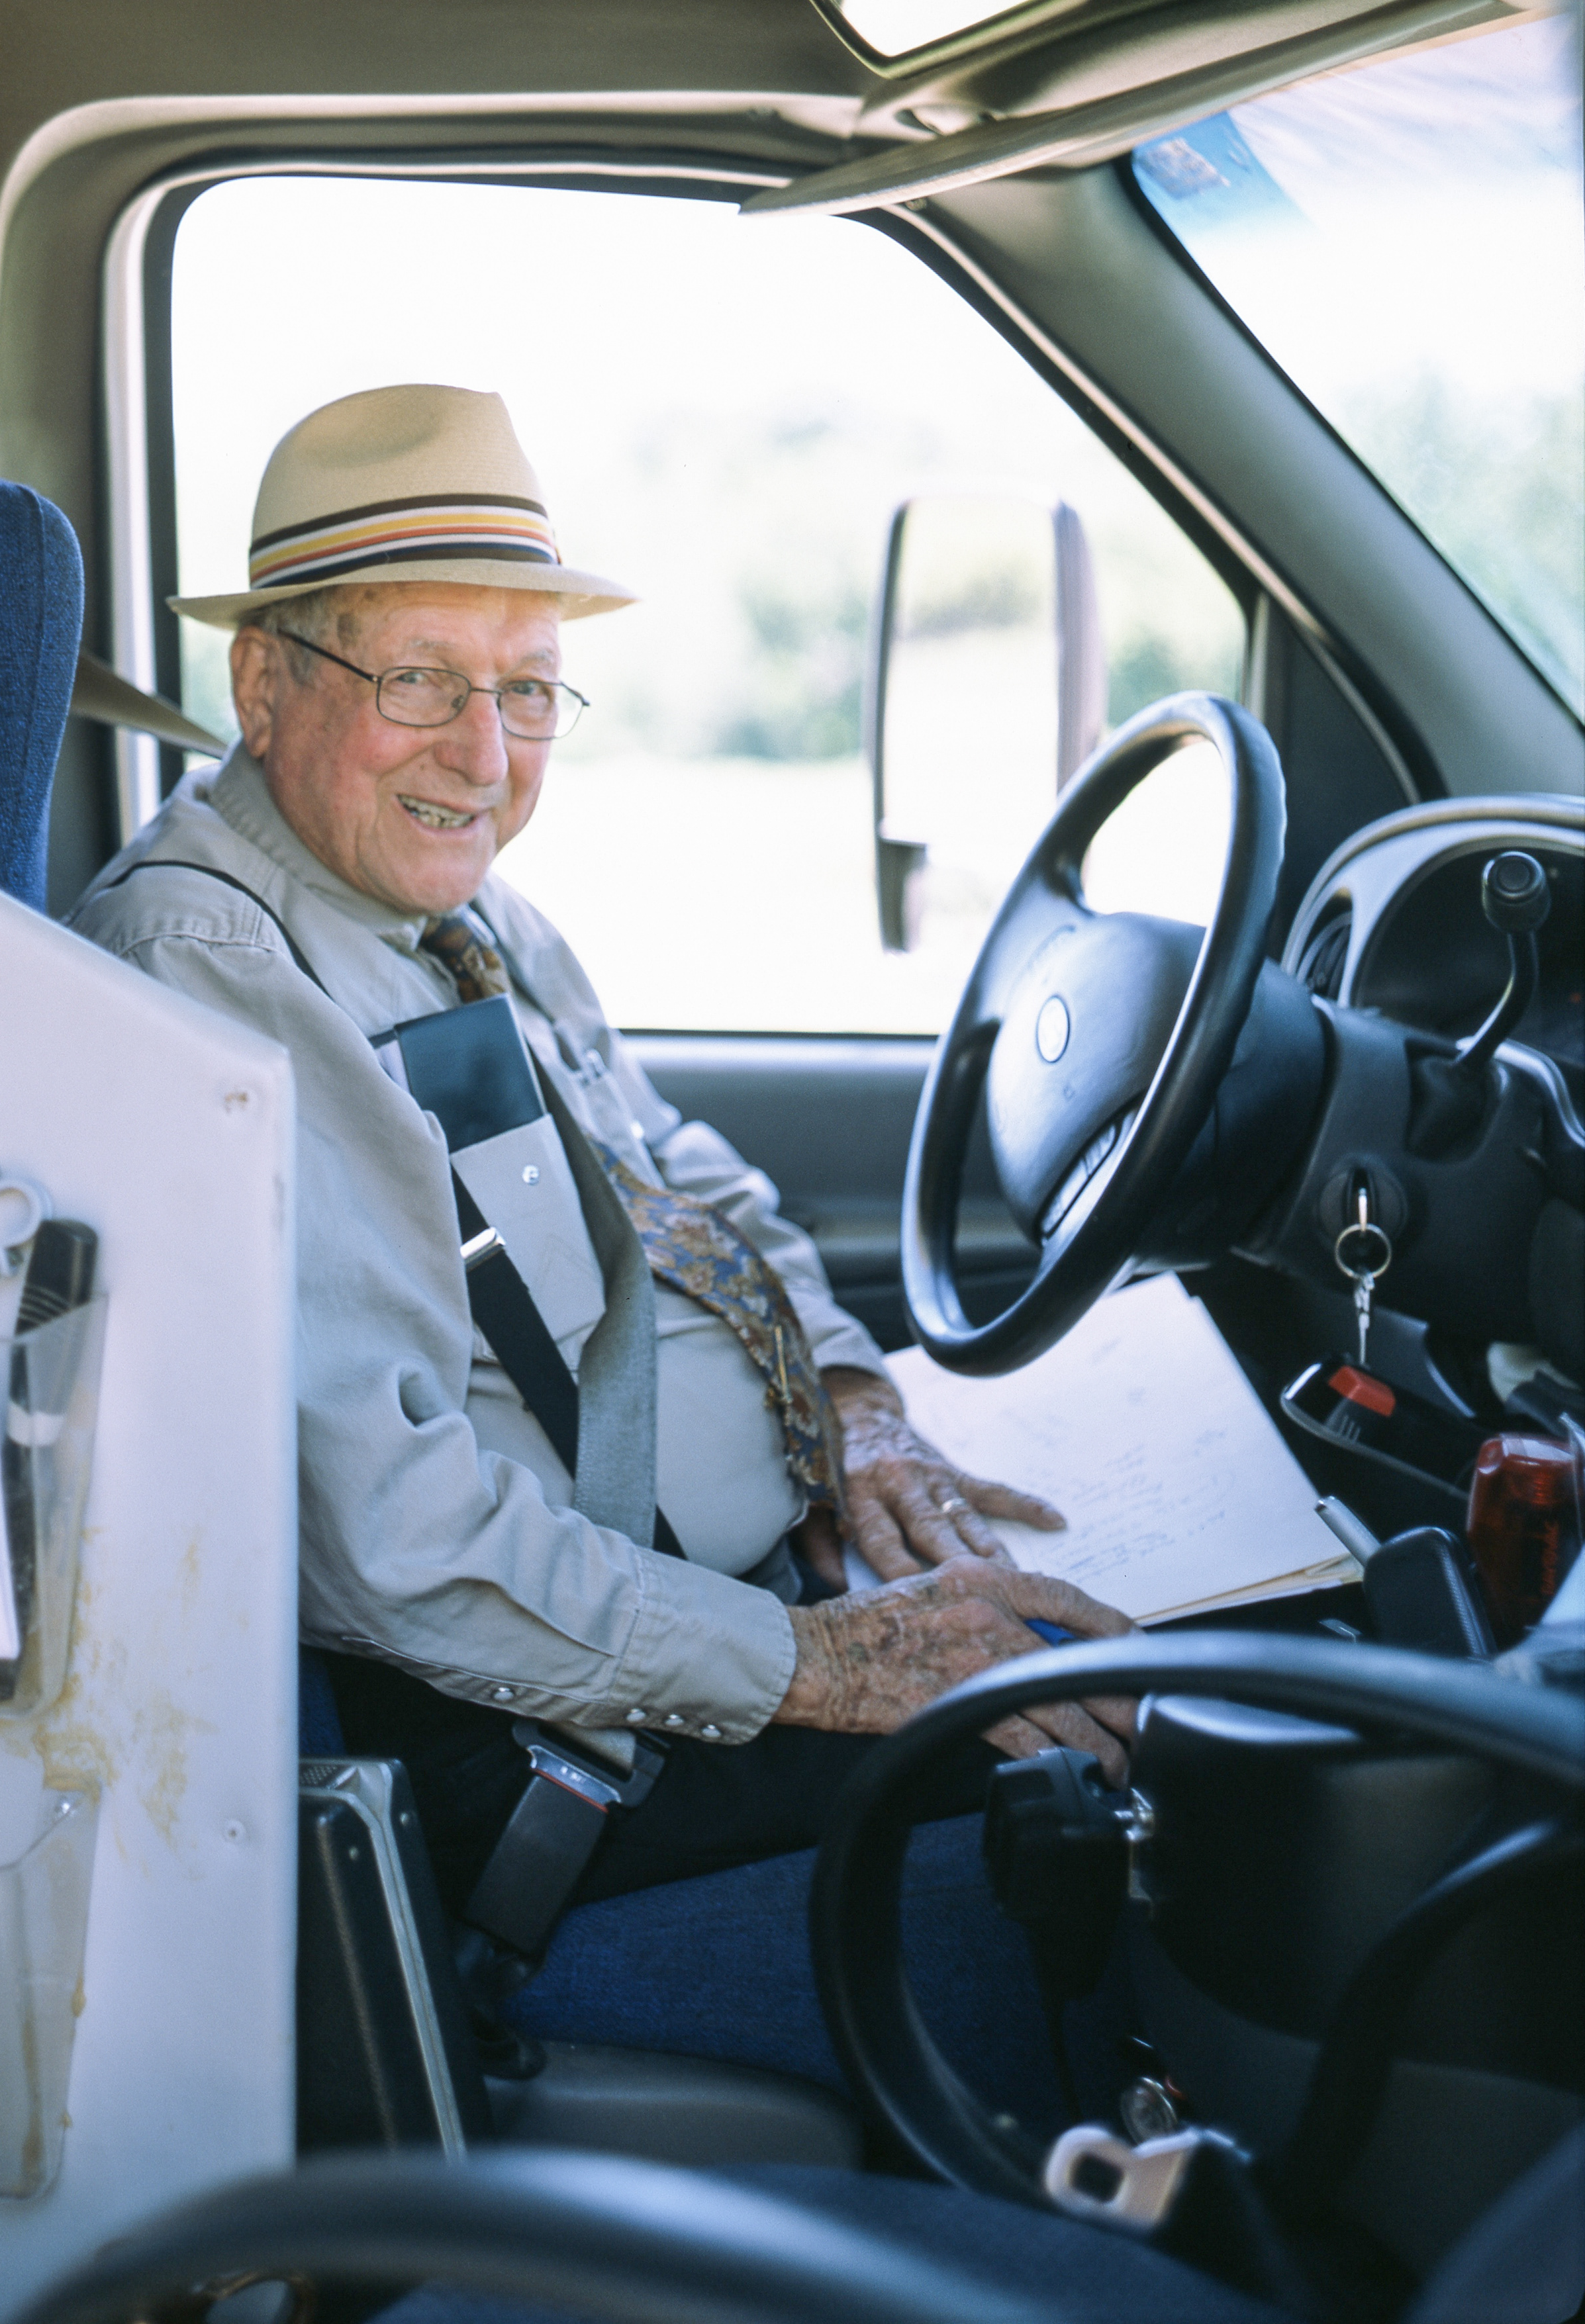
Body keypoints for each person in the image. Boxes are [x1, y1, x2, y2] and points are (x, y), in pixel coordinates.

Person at [71, 383, 1136, 1941]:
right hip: (558, 1743)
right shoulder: (208, 975)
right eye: (421, 679)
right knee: (1154, 1762)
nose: (486, 755)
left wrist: (848, 1408)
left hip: (730, 1607)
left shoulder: (454, 909)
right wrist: (828, 1667)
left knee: (1191, 1652)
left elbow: (682, 1182)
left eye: (528, 690)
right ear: (264, 679)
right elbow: (394, 1543)